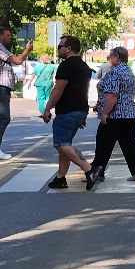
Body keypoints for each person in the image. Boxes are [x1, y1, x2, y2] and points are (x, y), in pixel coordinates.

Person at [40, 35, 96, 190]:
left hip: (67, 111)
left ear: (69, 48)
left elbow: (58, 89)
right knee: (65, 145)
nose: (58, 49)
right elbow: (81, 90)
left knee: (61, 144)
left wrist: (47, 108)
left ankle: (89, 169)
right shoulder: (84, 66)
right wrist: (81, 114)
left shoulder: (66, 65)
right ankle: (60, 178)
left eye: (60, 46)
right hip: (80, 110)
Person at [91, 45, 135, 184]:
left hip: (115, 115)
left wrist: (104, 113)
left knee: (103, 144)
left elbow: (112, 95)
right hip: (129, 114)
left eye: (110, 56)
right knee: (129, 145)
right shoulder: (128, 71)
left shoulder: (114, 72)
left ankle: (97, 172)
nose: (109, 58)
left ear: (117, 57)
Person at [0, 26, 30, 161]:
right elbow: (18, 60)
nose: (10, 37)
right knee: (3, 117)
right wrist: (27, 49)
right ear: (0, 36)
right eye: (8, 35)